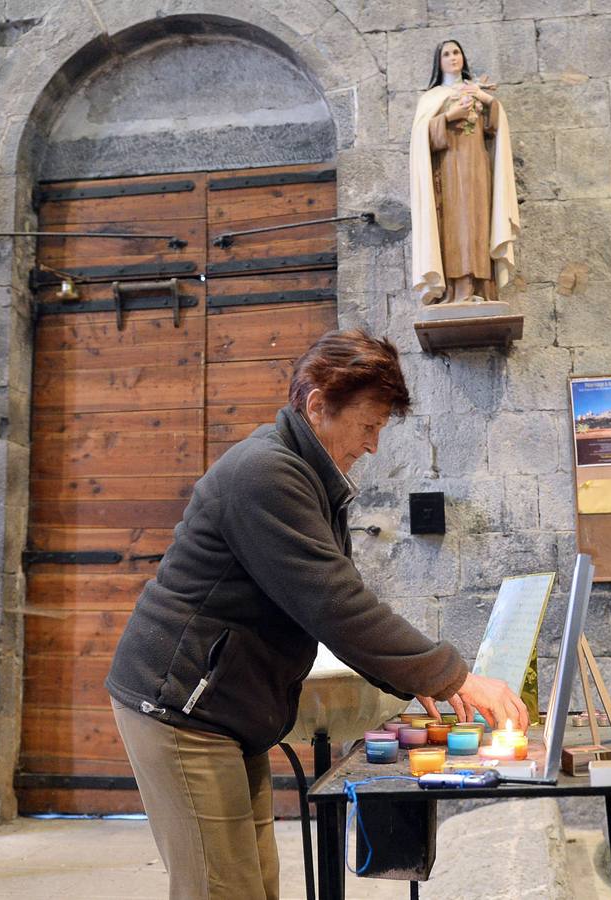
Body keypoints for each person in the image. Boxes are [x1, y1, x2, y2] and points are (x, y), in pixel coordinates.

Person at [106, 330, 528, 899]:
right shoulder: (265, 473)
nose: (373, 445)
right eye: (368, 426)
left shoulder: (306, 477)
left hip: (225, 709)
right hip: (181, 705)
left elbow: (338, 602)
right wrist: (453, 676)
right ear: (317, 405)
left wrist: (419, 678)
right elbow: (336, 605)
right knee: (221, 889)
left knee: (255, 884)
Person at [409, 39, 520, 305]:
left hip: (478, 166)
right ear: (439, 62)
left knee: (480, 222)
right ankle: (456, 290)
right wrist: (450, 115)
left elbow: (495, 127)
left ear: (463, 57)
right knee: (455, 225)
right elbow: (421, 139)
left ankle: (483, 289)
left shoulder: (477, 90)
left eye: (456, 52)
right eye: (446, 54)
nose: (452, 57)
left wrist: (485, 98)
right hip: (448, 169)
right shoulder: (432, 98)